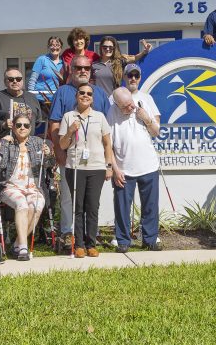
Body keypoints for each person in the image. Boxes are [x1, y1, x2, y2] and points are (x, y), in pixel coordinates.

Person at [48, 55, 112, 249]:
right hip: (70, 158)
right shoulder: (63, 92)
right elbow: (54, 123)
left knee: (92, 201)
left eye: (86, 68)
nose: (82, 71)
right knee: (69, 198)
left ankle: (91, 235)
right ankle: (68, 232)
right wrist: (59, 152)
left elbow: (107, 130)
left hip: (95, 160)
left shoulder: (99, 93)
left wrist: (109, 162)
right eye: (78, 67)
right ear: (71, 69)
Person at [59, 83, 115, 258]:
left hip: (96, 167)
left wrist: (109, 166)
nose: (85, 95)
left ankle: (91, 243)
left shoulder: (99, 117)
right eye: (82, 93)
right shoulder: (68, 116)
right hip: (75, 167)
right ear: (76, 96)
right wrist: (70, 131)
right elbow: (62, 145)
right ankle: (79, 245)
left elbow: (107, 144)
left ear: (93, 98)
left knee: (92, 206)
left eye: (89, 94)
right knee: (78, 207)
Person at [107, 87, 161, 253]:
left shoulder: (142, 104)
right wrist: (114, 169)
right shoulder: (112, 114)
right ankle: (123, 241)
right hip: (124, 169)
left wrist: (147, 118)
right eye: (125, 107)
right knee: (122, 207)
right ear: (116, 105)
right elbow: (107, 144)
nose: (130, 108)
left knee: (150, 206)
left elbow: (156, 132)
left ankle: (150, 240)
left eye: (130, 104)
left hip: (149, 166)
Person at [0, 111, 49, 260]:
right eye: (18, 125)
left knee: (37, 206)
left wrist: (48, 154)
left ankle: (17, 244)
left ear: (30, 128)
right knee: (22, 204)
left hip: (32, 187)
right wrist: (4, 144)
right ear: (13, 128)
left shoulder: (37, 142)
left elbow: (48, 165)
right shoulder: (8, 142)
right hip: (11, 186)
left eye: (26, 125)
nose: (22, 128)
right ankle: (23, 248)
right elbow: (1, 164)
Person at [0, 67, 42, 138]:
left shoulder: (32, 97)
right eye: (11, 79)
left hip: (29, 142)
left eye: (18, 79)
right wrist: (4, 124)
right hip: (8, 142)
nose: (15, 81)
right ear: (5, 82)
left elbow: (37, 121)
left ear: (22, 81)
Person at [29, 36, 64, 104]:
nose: (54, 47)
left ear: (61, 47)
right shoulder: (42, 59)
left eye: (57, 45)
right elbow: (33, 80)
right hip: (40, 99)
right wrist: (31, 96)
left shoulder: (63, 63)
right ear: (48, 47)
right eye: (52, 45)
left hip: (57, 99)